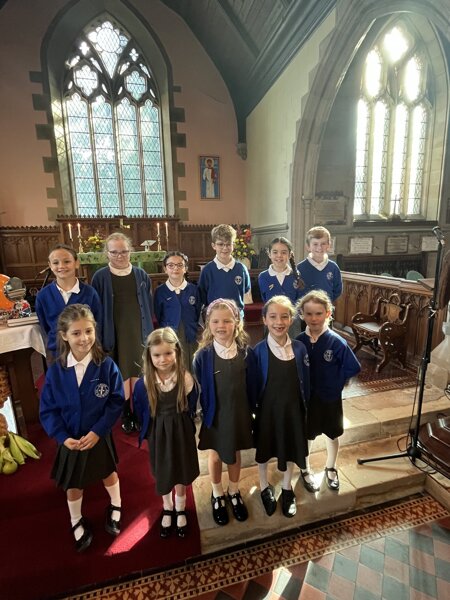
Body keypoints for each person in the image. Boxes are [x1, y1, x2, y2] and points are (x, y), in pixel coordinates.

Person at [39, 304, 124, 552]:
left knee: (108, 472)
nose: (84, 338)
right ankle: (76, 519)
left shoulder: (106, 366)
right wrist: (62, 437)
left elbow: (116, 400)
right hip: (71, 439)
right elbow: (48, 409)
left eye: (88, 331)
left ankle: (116, 504)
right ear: (64, 335)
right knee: (73, 484)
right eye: (76, 333)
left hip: (98, 434)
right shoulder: (56, 372)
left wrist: (99, 430)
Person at [193, 298, 257, 526]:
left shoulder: (246, 353)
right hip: (216, 414)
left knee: (235, 452)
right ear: (208, 324)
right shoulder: (203, 356)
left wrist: (253, 410)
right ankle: (217, 492)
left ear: (236, 322)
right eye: (216, 321)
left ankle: (233, 490)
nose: (221, 326)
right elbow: (200, 384)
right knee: (217, 454)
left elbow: (252, 384)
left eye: (227, 321)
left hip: (239, 412)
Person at [133, 328, 200, 538]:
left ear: (177, 352)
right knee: (163, 470)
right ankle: (167, 506)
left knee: (180, 468)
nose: (163, 359)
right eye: (157, 355)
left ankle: (180, 506)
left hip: (180, 429)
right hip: (158, 432)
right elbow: (140, 408)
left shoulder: (185, 378)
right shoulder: (145, 383)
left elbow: (192, 404)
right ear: (149, 356)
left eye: (168, 353)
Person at [296, 291, 360, 492]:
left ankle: (331, 467)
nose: (314, 318)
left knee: (332, 434)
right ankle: (305, 469)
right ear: (302, 315)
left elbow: (353, 366)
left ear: (328, 313)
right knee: (307, 435)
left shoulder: (336, 341)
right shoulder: (299, 341)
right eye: (309, 314)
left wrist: (336, 383)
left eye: (318, 313)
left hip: (330, 398)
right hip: (307, 400)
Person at [253, 296, 309, 518]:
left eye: (284, 316)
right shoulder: (257, 351)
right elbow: (253, 384)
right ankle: (264, 486)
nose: (279, 322)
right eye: (273, 316)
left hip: (293, 410)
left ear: (292, 319)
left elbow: (307, 379)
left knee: (292, 447)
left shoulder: (300, 348)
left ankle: (287, 489)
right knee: (264, 449)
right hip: (267, 411)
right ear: (264, 319)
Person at [91, 233, 153, 433]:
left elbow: (147, 304)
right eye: (114, 252)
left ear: (130, 251)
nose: (120, 256)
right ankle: (126, 413)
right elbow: (97, 309)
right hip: (114, 332)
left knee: (139, 372)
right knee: (121, 373)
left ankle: (140, 412)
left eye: (124, 251)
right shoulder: (100, 277)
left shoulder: (141, 275)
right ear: (107, 253)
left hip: (138, 331)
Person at [35, 244, 102, 359]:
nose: (61, 266)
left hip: (86, 350)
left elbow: (98, 322)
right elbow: (45, 325)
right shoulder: (43, 296)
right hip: (57, 352)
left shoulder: (90, 293)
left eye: (67, 261)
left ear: (76, 263)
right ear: (50, 265)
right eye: (56, 263)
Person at [153, 251, 201, 369]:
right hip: (170, 334)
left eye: (180, 265)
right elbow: (158, 314)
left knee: (191, 364)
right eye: (171, 265)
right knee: (173, 364)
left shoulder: (193, 290)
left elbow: (198, 310)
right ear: (165, 269)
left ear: (185, 268)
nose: (175, 268)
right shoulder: (160, 291)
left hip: (190, 333)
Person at [197, 224, 251, 318]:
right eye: (221, 244)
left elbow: (246, 289)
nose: (225, 248)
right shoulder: (207, 270)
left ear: (233, 245)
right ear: (213, 245)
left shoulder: (241, 269)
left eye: (228, 244)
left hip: (236, 317)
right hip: (214, 318)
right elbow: (202, 295)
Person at [258, 237, 304, 337]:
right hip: (272, 321)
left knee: (292, 349)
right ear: (269, 254)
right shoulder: (263, 277)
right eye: (275, 252)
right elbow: (265, 298)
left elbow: (299, 300)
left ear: (290, 254)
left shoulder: (296, 275)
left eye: (283, 252)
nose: (279, 255)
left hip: (292, 321)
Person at [297, 225, 342, 304]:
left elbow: (337, 290)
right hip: (305, 311)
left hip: (326, 310)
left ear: (328, 245)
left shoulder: (333, 267)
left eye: (323, 243)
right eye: (315, 244)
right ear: (308, 246)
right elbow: (296, 291)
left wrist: (327, 303)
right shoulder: (300, 268)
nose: (319, 247)